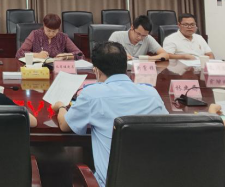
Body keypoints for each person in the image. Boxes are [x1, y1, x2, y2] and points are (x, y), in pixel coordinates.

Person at [52, 42, 167, 186]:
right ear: (125, 66)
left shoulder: (92, 94)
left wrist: (61, 106)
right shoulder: (151, 94)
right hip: (153, 180)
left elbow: (65, 125)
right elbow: (167, 127)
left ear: (96, 71)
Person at [15, 12, 83, 59]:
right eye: (48, 30)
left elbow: (80, 54)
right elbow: (19, 53)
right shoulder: (35, 34)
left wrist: (66, 56)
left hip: (57, 69)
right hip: (38, 69)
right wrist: (37, 55)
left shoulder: (63, 37)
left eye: (54, 31)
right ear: (44, 25)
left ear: (58, 29)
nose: (51, 33)